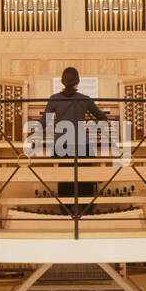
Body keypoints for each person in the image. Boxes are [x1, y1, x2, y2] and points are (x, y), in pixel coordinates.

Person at [41, 67, 108, 215]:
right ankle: (86, 212)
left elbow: (43, 124)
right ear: (77, 81)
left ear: (62, 81)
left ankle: (66, 212)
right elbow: (103, 118)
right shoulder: (85, 99)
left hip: (61, 146)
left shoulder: (54, 99)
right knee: (85, 180)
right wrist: (93, 126)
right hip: (81, 146)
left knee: (64, 180)